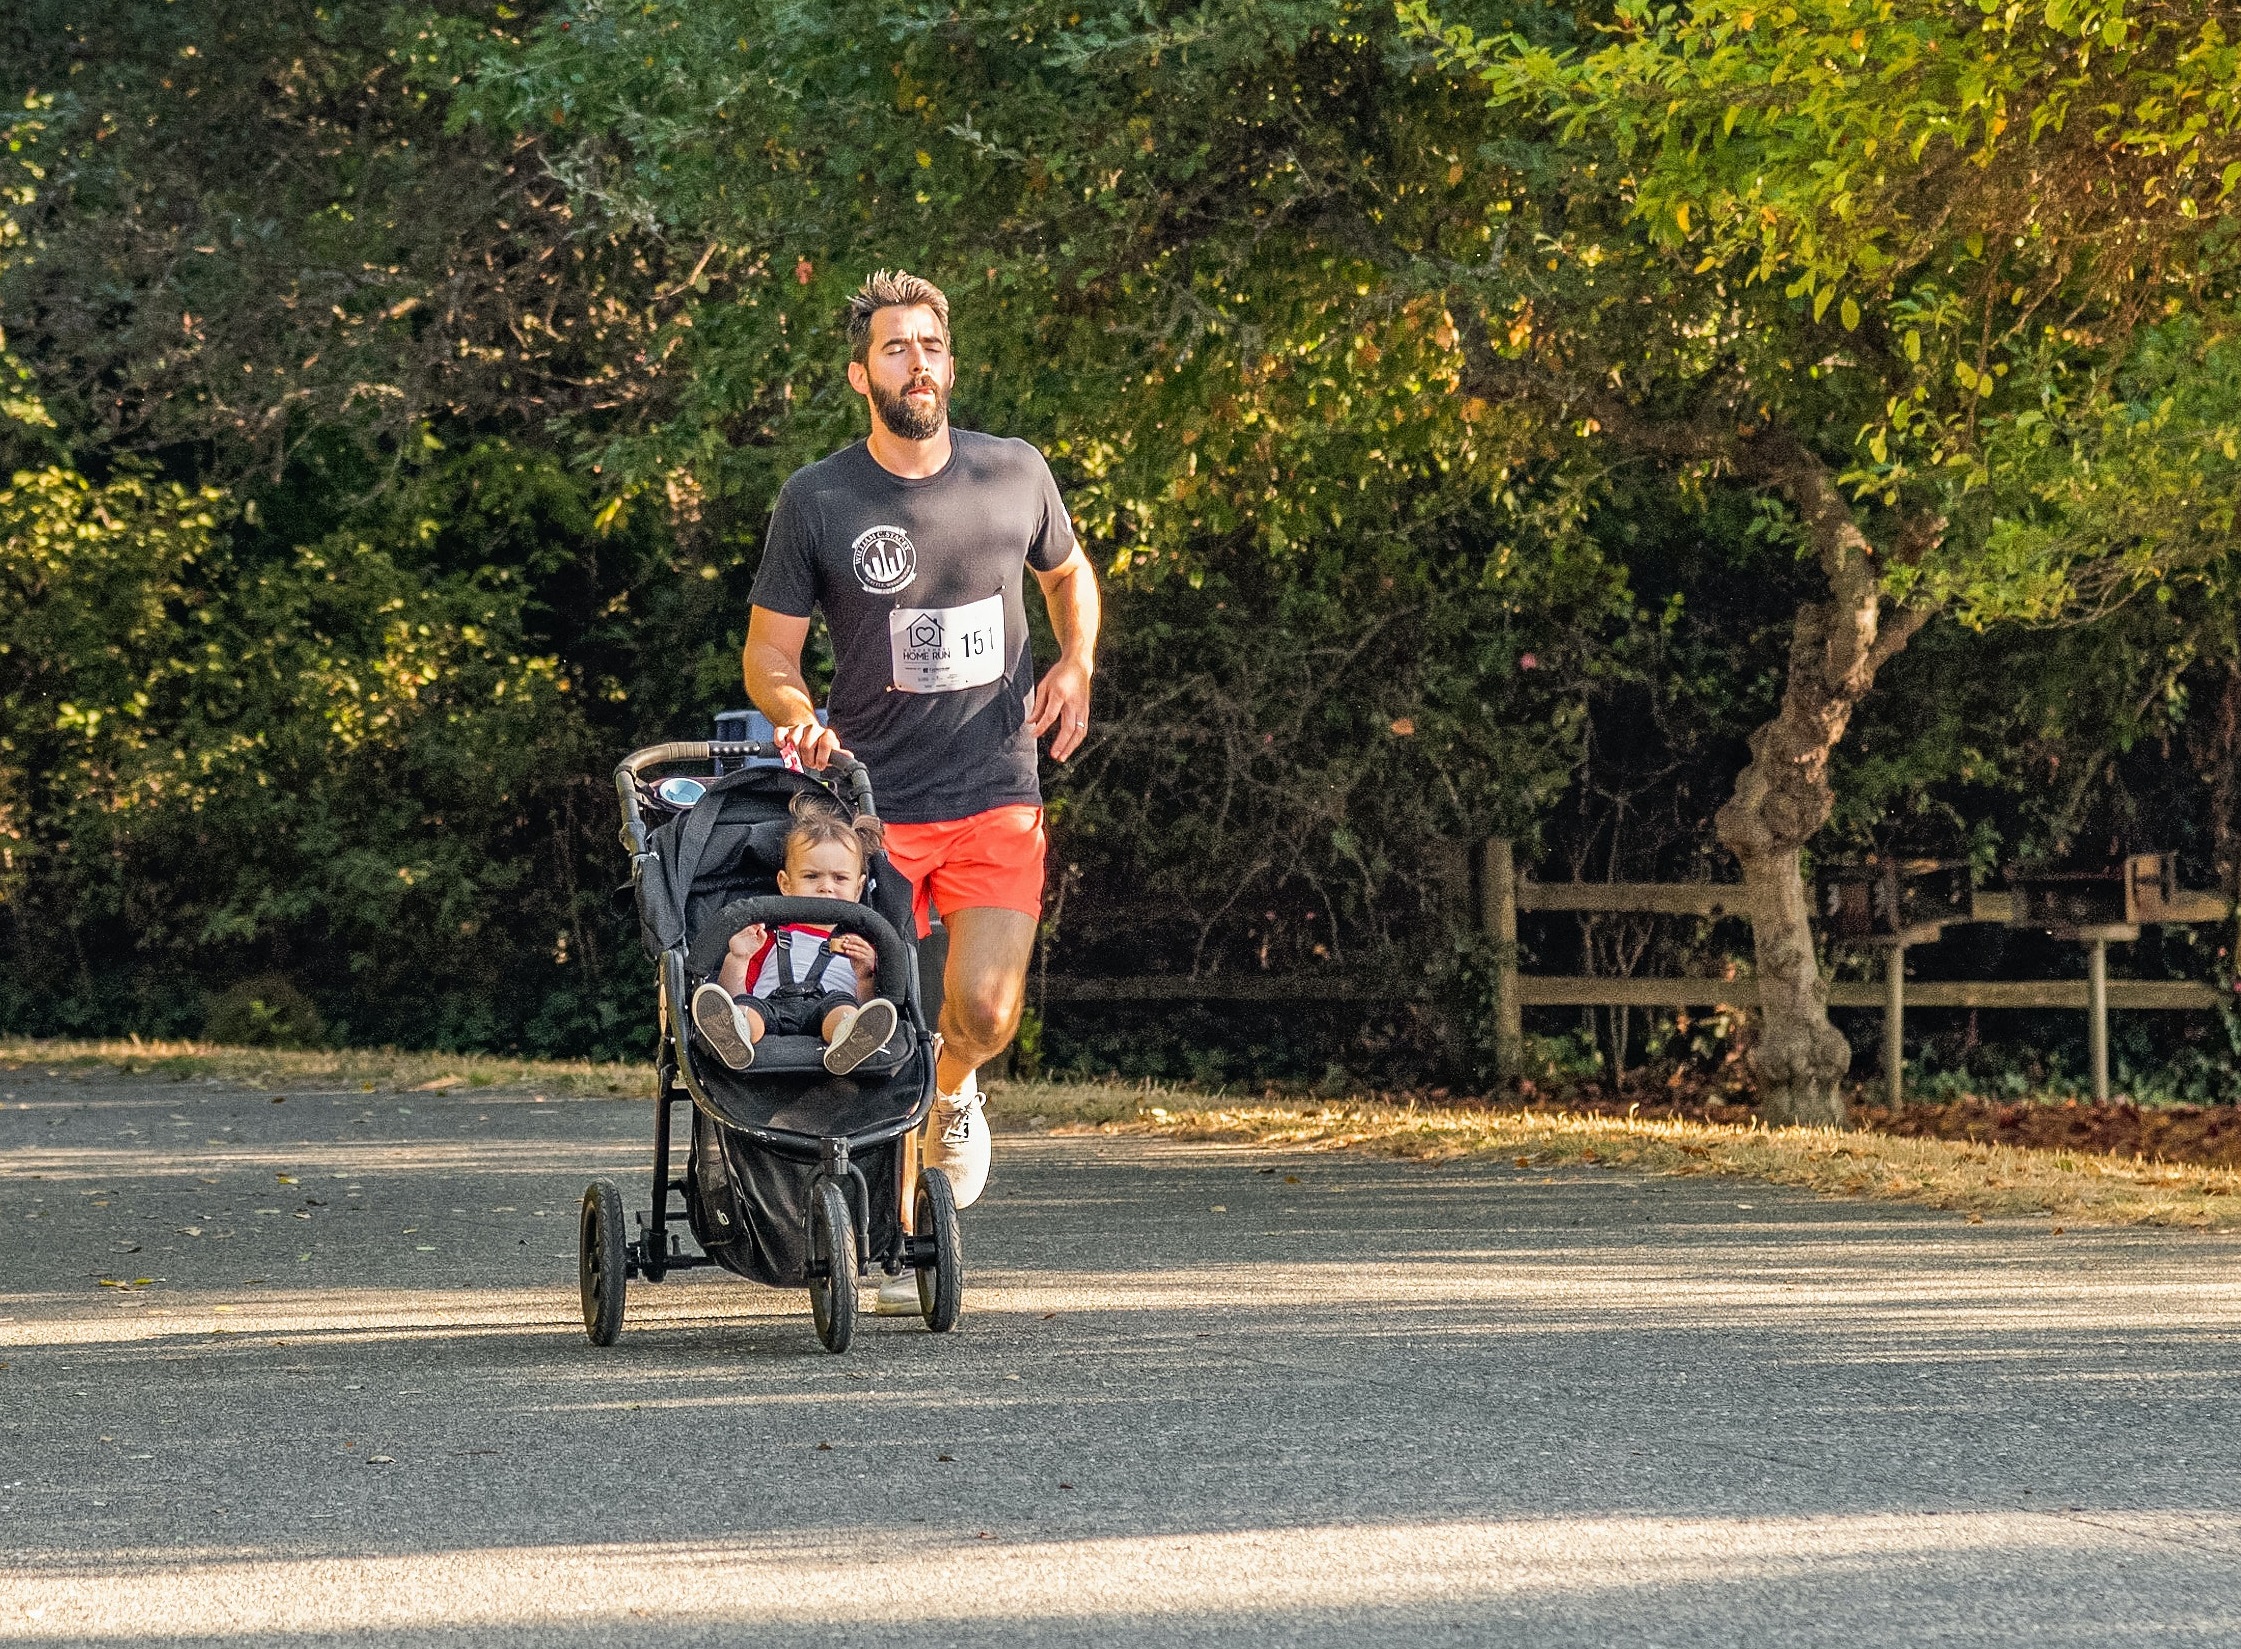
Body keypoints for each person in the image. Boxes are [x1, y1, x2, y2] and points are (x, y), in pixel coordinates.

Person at [743, 268, 1100, 1311]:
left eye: (931, 346)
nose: (918, 364)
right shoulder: (819, 499)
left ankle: (957, 1092)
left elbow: (1069, 573)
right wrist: (792, 708)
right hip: (873, 807)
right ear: (863, 374)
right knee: (888, 1012)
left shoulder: (1014, 472)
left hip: (996, 782)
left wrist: (1074, 662)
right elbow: (768, 652)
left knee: (982, 1009)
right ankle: (895, 1237)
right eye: (895, 348)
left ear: (952, 360)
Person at [689, 796, 901, 1077]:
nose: (826, 888)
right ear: (785, 884)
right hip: (769, 1007)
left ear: (859, 888)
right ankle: (734, 1033)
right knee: (748, 1010)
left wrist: (866, 977)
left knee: (843, 1009)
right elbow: (737, 992)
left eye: (839, 879)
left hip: (828, 1009)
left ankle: (851, 1039)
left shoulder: (862, 943)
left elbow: (871, 1005)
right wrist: (738, 958)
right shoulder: (765, 937)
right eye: (812, 877)